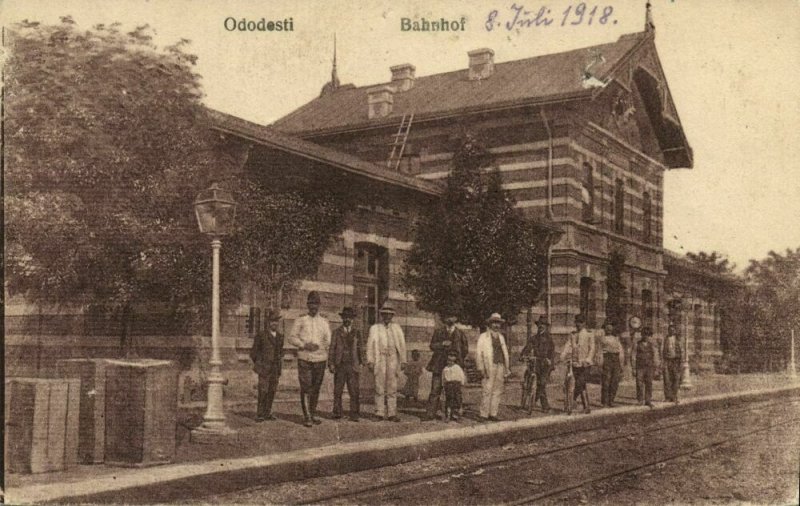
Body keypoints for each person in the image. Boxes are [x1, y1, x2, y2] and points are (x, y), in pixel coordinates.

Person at [288, 291, 332, 427]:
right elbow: (291, 338)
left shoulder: (324, 322)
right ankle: (307, 416)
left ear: (319, 305)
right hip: (305, 358)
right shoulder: (301, 320)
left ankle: (312, 414)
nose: (313, 307)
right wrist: (304, 345)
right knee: (306, 387)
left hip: (320, 359)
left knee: (316, 388)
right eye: (311, 304)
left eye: (316, 304)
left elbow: (328, 340)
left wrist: (320, 347)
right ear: (307, 305)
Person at [366, 305, 407, 422]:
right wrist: (370, 360)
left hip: (393, 358)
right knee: (379, 385)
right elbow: (370, 345)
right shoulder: (375, 328)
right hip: (380, 358)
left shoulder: (397, 328)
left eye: (389, 315)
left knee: (392, 386)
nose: (387, 317)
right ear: (381, 315)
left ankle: (392, 413)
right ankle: (379, 412)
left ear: (392, 316)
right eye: (385, 314)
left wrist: (403, 360)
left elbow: (402, 345)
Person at [425, 314, 468, 420]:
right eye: (448, 316)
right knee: (435, 390)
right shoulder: (438, 331)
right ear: (445, 319)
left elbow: (465, 350)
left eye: (453, 317)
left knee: (454, 391)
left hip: (454, 367)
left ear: (456, 319)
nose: (450, 319)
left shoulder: (460, 333)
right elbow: (432, 346)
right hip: (439, 366)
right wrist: (442, 344)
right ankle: (430, 414)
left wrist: (457, 361)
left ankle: (453, 413)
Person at [328, 307, 365, 421]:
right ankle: (337, 412)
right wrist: (331, 363)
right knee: (338, 390)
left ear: (352, 319)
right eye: (345, 317)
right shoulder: (336, 332)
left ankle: (354, 414)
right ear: (342, 318)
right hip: (340, 365)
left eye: (349, 317)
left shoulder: (357, 332)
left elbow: (361, 348)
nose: (347, 319)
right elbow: (332, 349)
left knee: (354, 391)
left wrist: (362, 362)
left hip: (353, 365)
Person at [250, 309, 284, 421]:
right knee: (263, 390)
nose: (274, 323)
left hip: (275, 369)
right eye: (272, 321)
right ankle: (260, 414)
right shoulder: (261, 335)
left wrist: (279, 365)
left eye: (276, 321)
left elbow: (280, 352)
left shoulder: (280, 336)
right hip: (264, 368)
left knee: (272, 390)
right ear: (268, 322)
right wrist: (260, 364)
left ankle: (267, 413)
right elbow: (254, 353)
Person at [476, 313, 510, 422]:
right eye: (494, 323)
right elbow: (478, 353)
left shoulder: (501, 337)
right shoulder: (483, 337)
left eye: (498, 323)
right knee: (487, 389)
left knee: (497, 390)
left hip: (500, 365)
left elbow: (504, 353)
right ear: (490, 324)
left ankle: (493, 413)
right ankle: (483, 414)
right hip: (489, 366)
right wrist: (481, 368)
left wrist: (506, 367)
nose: (496, 325)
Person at [560, 314, 596, 414]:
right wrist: (562, 356)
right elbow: (568, 346)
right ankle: (587, 407)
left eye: (580, 322)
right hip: (574, 363)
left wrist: (588, 359)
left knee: (580, 382)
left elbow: (592, 348)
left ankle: (572, 400)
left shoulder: (589, 334)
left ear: (584, 323)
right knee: (580, 384)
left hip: (585, 364)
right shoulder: (572, 334)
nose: (578, 324)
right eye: (577, 322)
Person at [520, 315, 555, 413]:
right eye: (540, 324)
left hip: (545, 365)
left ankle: (535, 401)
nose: (541, 326)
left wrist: (549, 360)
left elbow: (552, 352)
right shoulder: (534, 338)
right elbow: (527, 347)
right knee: (537, 383)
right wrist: (522, 355)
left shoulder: (549, 339)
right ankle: (544, 406)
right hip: (536, 363)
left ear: (546, 327)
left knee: (542, 383)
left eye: (543, 325)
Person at [598, 320, 624, 407]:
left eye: (611, 327)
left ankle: (611, 400)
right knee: (606, 381)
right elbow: (600, 352)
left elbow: (620, 352)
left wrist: (621, 364)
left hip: (616, 360)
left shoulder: (616, 338)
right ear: (604, 328)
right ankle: (605, 401)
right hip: (607, 359)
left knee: (615, 381)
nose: (609, 328)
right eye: (607, 327)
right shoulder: (602, 339)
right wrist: (600, 364)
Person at [633, 326, 656, 407]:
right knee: (639, 383)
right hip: (640, 366)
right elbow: (633, 356)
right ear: (642, 335)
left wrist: (655, 367)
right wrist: (633, 368)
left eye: (647, 334)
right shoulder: (637, 344)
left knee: (649, 383)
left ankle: (648, 400)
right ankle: (640, 400)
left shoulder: (651, 345)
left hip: (649, 366)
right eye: (644, 334)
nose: (646, 336)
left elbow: (654, 355)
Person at [442, 351, 466, 422]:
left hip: (456, 385)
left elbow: (462, 376)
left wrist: (462, 383)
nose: (450, 362)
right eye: (448, 360)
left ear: (455, 360)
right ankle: (448, 416)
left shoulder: (457, 368)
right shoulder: (445, 369)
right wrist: (443, 386)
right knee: (449, 401)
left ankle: (459, 416)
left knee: (458, 401)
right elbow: (443, 378)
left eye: (452, 361)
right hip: (449, 386)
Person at [661, 324, 683, 404]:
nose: (671, 331)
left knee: (676, 379)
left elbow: (681, 351)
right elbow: (662, 350)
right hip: (667, 361)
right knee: (667, 379)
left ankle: (674, 397)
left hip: (675, 361)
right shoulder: (665, 339)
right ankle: (667, 397)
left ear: (675, 331)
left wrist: (681, 362)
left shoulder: (678, 340)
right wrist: (662, 361)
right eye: (670, 330)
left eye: (673, 330)